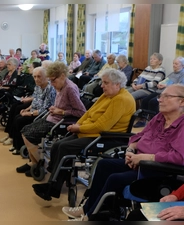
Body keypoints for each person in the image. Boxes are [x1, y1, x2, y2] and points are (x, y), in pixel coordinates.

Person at [62, 84, 184, 221]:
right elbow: (139, 136)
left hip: (158, 171)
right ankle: (88, 208)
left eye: (167, 96)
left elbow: (179, 157)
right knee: (104, 164)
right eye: (160, 96)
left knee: (116, 178)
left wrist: (147, 157)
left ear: (182, 101)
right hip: (139, 162)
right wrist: (131, 149)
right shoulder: (159, 118)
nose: (160, 100)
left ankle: (92, 216)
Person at [32, 68, 136, 201]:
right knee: (58, 144)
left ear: (117, 84)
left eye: (105, 83)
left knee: (65, 147)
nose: (101, 85)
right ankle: (55, 178)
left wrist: (80, 129)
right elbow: (87, 113)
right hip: (91, 131)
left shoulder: (121, 99)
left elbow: (103, 126)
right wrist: (78, 125)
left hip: (107, 136)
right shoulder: (108, 95)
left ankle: (53, 187)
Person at [15, 62, 86, 175]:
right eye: (50, 80)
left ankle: (38, 164)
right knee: (24, 131)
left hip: (61, 122)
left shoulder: (70, 89)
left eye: (53, 80)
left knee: (28, 135)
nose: (51, 84)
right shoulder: (60, 86)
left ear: (62, 76)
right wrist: (55, 108)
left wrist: (61, 111)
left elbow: (82, 112)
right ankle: (34, 163)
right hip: (53, 118)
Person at [2, 67, 56, 153]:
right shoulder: (38, 86)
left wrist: (29, 113)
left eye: (39, 76)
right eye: (34, 77)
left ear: (46, 77)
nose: (36, 79)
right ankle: (15, 144)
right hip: (33, 110)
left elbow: (46, 108)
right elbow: (35, 101)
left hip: (41, 114)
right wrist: (26, 109)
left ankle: (19, 147)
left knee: (20, 120)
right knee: (17, 117)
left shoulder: (50, 89)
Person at [134, 56, 184, 127]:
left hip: (169, 94)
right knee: (145, 100)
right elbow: (164, 81)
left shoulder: (182, 74)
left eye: (176, 64)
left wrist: (165, 86)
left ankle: (154, 122)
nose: (174, 65)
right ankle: (142, 120)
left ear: (182, 65)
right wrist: (159, 84)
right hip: (160, 91)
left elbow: (180, 87)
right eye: (173, 63)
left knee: (153, 102)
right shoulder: (172, 73)